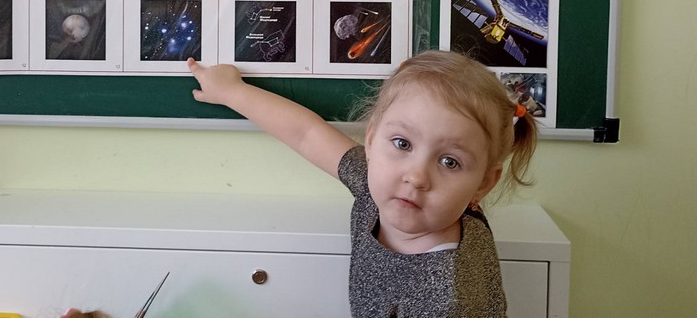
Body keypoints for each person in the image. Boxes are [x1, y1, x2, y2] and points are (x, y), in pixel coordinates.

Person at [187, 50, 537, 318]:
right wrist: (232, 92)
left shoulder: (445, 299)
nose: (416, 177)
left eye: (449, 162)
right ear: (371, 141)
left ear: (483, 185)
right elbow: (307, 133)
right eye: (402, 143)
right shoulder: (378, 187)